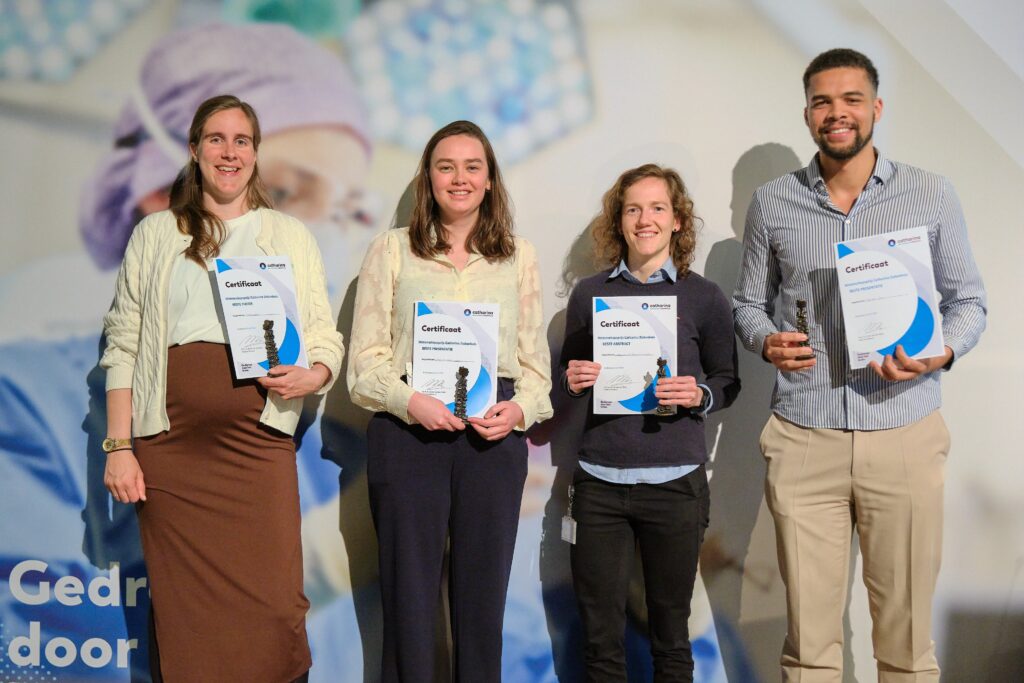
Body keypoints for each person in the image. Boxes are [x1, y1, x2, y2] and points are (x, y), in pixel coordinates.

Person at [732, 48, 987, 682]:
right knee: (809, 647)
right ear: (807, 114)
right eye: (822, 101)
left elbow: (969, 303)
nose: (836, 113)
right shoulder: (773, 202)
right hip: (804, 435)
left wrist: (940, 352)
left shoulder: (929, 193)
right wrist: (765, 341)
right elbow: (748, 305)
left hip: (904, 431)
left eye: (851, 99)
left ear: (876, 108)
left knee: (906, 645)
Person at [101, 95, 344, 682]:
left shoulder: (288, 235)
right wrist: (120, 446)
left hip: (256, 446)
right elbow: (124, 346)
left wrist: (315, 374)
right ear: (194, 150)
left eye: (242, 140)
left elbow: (323, 337)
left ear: (255, 153)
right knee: (187, 616)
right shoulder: (156, 234)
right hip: (170, 453)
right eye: (216, 138)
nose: (229, 152)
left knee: (277, 606)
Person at [347, 119, 553, 682]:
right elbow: (363, 364)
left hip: (492, 437)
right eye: (446, 167)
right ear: (428, 178)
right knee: (408, 601)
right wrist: (410, 402)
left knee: (482, 606)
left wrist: (519, 410)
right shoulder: (391, 250)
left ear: (489, 180)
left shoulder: (519, 256)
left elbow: (536, 369)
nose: (459, 178)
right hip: (407, 432)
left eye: (472, 167)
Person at [559, 164, 739, 681]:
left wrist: (699, 394)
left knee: (671, 636)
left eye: (658, 208)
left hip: (676, 485)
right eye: (633, 209)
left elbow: (728, 381)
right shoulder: (589, 294)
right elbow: (566, 380)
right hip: (599, 485)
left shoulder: (704, 297)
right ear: (619, 220)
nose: (645, 219)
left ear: (677, 220)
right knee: (600, 642)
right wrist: (573, 379)